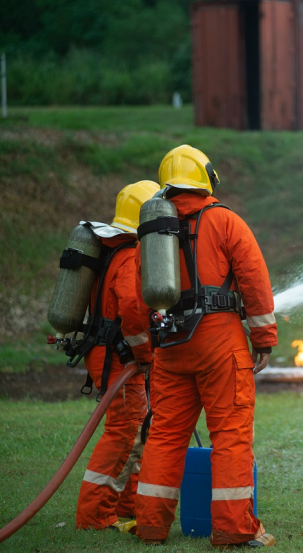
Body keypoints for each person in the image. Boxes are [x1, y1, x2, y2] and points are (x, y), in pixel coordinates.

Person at [134, 145, 278, 547]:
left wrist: (150, 345)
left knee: (164, 435)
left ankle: (150, 525)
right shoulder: (225, 221)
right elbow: (254, 280)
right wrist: (263, 337)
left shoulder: (151, 232)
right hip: (220, 343)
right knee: (230, 435)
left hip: (170, 346)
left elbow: (139, 291)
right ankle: (234, 529)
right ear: (206, 178)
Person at [75, 180, 160, 531]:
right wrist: (144, 354)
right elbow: (131, 309)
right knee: (123, 431)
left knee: (137, 430)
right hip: (118, 358)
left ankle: (126, 507)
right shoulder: (129, 257)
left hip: (109, 354)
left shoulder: (113, 251)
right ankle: (95, 516)